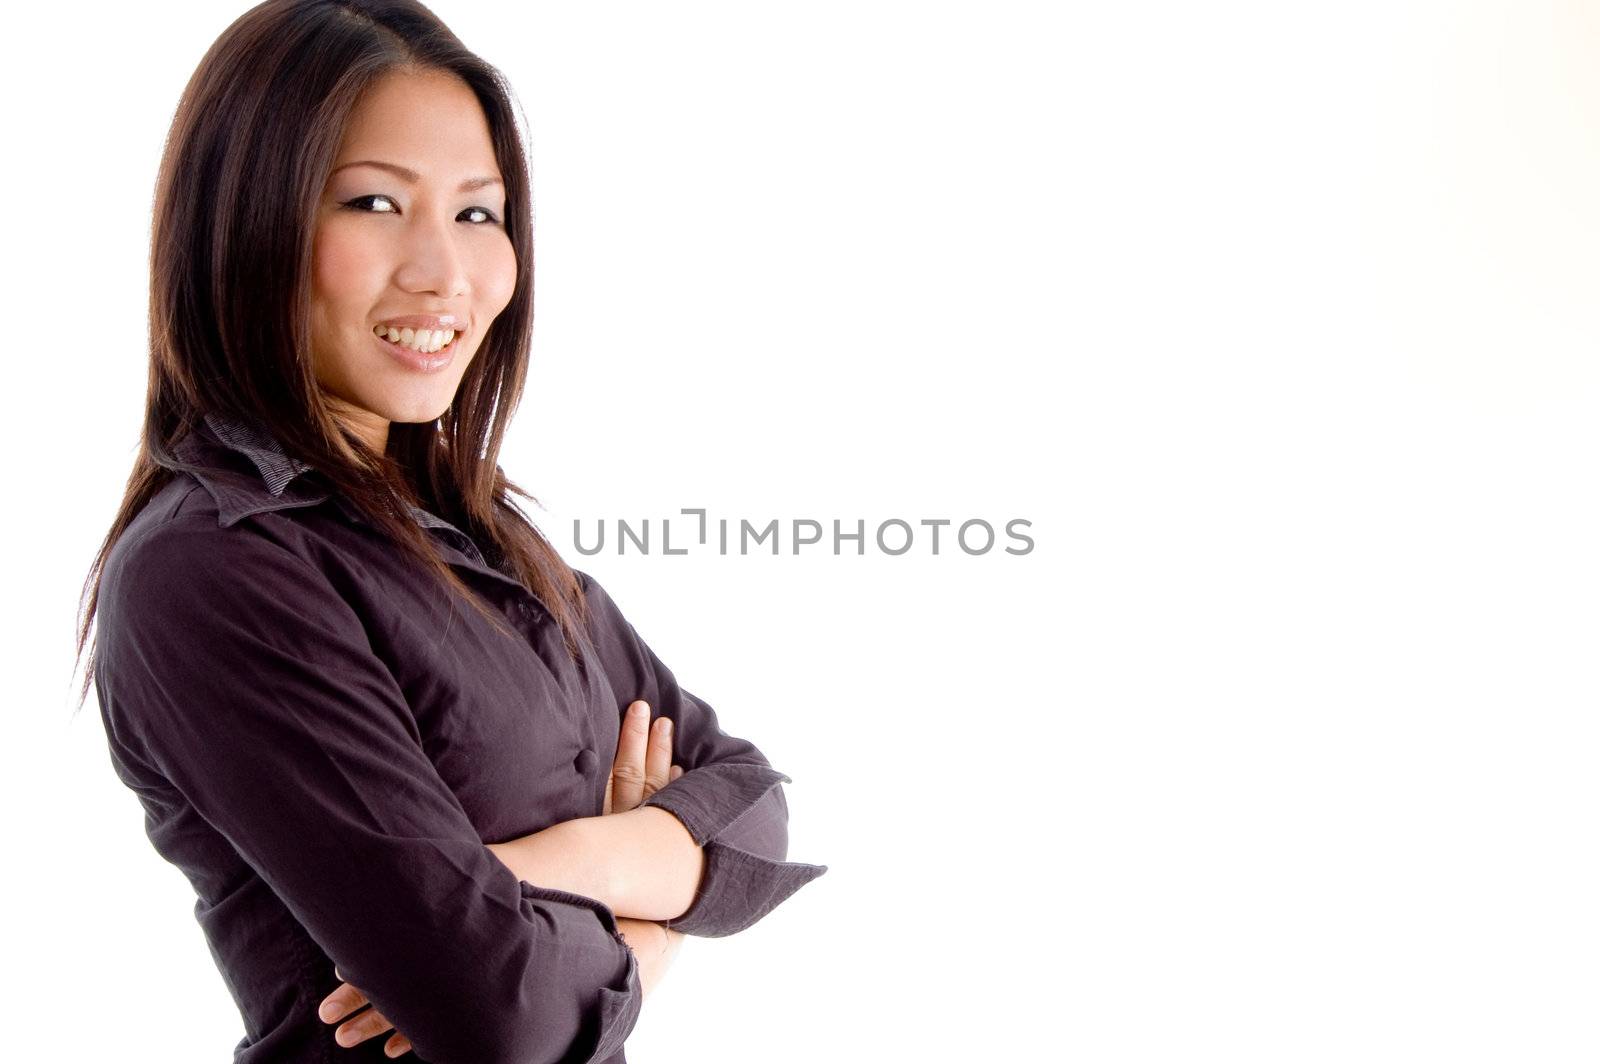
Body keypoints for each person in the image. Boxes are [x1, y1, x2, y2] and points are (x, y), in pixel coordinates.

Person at [72, 2, 828, 1061]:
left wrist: (547, 867)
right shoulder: (217, 567)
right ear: (244, 222)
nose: (444, 273)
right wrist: (652, 934)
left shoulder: (479, 539)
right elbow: (501, 1015)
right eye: (374, 202)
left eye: (479, 213)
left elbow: (751, 810)